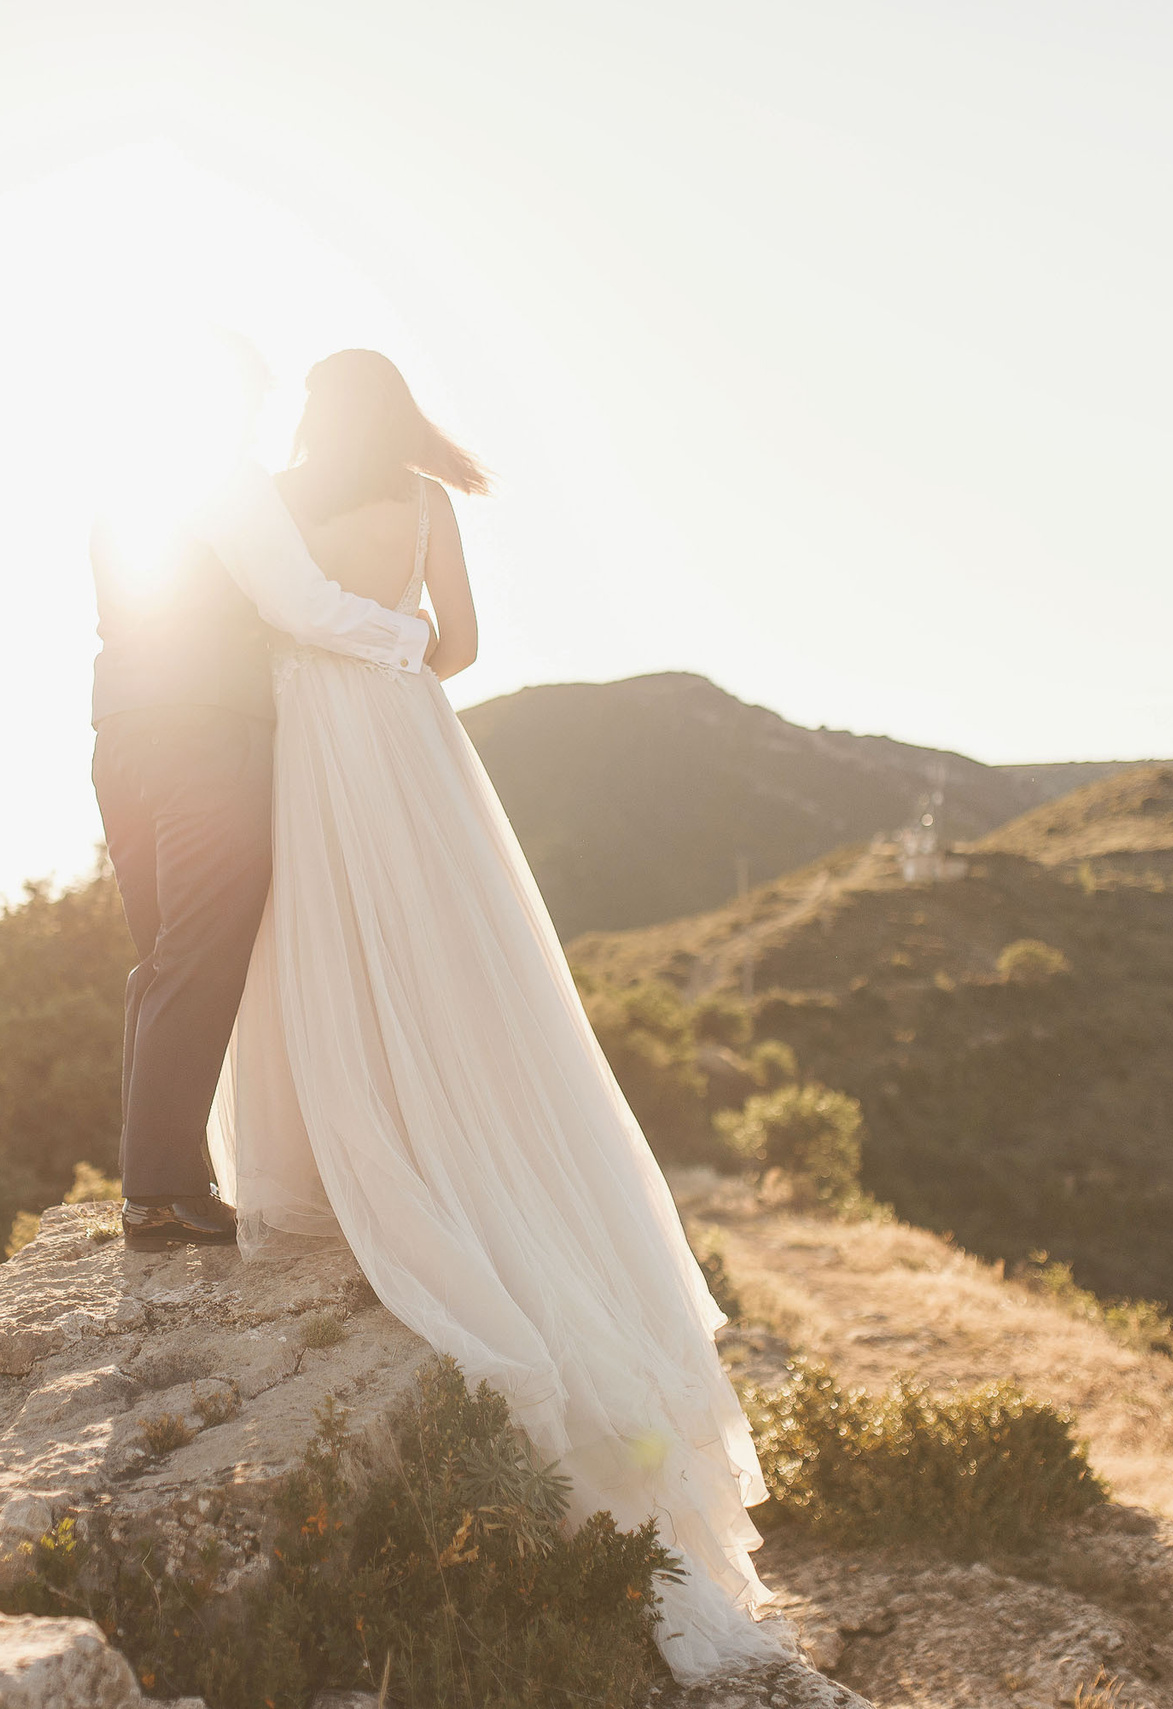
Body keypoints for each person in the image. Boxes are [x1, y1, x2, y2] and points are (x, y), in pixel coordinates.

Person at [208, 349, 792, 1676]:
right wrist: (395, 627)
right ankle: (466, 1157)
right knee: (457, 973)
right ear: (397, 410)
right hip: (408, 743)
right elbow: (461, 648)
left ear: (312, 412)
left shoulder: (278, 497)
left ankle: (358, 1166)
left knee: (326, 953)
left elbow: (249, 620)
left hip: (304, 742)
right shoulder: (424, 498)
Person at [88, 356, 432, 1251]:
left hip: (120, 739)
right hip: (206, 738)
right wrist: (412, 637)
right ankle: (160, 1193)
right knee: (198, 958)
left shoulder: (127, 485)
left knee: (165, 959)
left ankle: (157, 1185)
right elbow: (305, 604)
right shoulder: (228, 481)